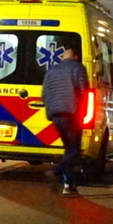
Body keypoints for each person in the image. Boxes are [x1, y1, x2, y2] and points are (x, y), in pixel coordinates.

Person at [42, 43, 88, 196]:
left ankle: (68, 185)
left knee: (69, 149)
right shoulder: (77, 68)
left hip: (56, 114)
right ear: (75, 56)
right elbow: (84, 91)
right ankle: (57, 171)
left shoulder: (51, 71)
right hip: (71, 113)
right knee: (74, 150)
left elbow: (44, 95)